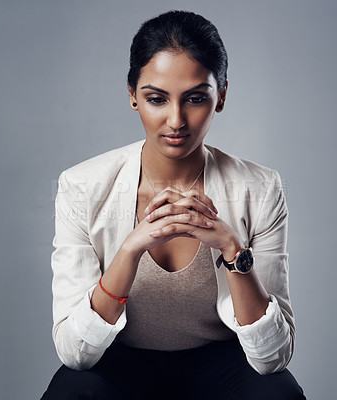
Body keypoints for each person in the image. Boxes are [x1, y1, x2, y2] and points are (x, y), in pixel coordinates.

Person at [41, 10, 306, 400]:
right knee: (73, 391)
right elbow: (74, 352)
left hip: (220, 361)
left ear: (222, 97)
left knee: (277, 393)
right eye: (156, 99)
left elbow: (273, 356)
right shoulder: (82, 186)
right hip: (121, 361)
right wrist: (130, 250)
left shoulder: (260, 188)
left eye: (196, 98)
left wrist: (233, 250)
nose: (176, 120)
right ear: (133, 95)